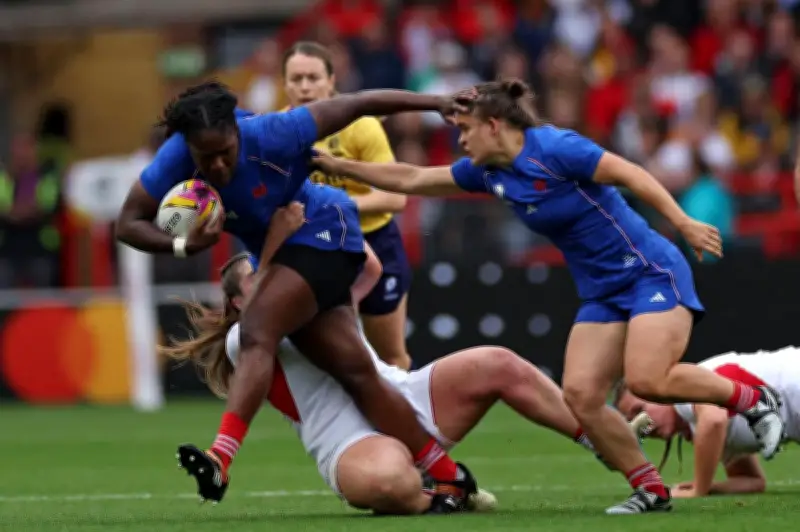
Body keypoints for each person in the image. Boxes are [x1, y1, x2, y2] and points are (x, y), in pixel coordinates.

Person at [310, 78, 786, 514]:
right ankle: (650, 490)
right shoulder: (487, 171)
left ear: (494, 125)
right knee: (580, 395)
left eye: (465, 130)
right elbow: (412, 179)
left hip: (650, 272)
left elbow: (630, 174)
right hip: (602, 291)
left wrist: (682, 223)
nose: (460, 140)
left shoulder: (556, 148)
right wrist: (332, 164)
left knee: (649, 379)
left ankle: (753, 399)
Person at [115, 80, 477, 511]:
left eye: (224, 152)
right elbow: (127, 224)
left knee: (255, 330)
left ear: (237, 132)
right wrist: (181, 246)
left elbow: (359, 102)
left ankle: (221, 456)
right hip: (287, 254)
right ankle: (449, 476)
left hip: (325, 225)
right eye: (204, 157)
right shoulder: (175, 157)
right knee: (358, 374)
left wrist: (435, 102)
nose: (215, 165)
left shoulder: (275, 132)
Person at [163, 244, 599, 515]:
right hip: (349, 442)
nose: (275, 283)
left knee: (499, 362)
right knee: (389, 481)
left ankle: (601, 437)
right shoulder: (248, 336)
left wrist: (328, 213)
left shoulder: (317, 295)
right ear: (239, 303)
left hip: (404, 399)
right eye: (258, 281)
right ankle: (443, 491)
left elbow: (368, 266)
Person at [282, 41, 413, 370]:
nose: (305, 87)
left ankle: (406, 421)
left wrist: (335, 205)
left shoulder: (361, 125)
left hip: (376, 240)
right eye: (296, 79)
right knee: (331, 358)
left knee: (391, 356)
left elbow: (396, 197)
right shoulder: (276, 133)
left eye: (313, 77)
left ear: (331, 80)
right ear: (284, 84)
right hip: (318, 248)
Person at [615, 346, 800, 499]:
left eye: (639, 410)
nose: (641, 422)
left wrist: (699, 488)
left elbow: (714, 421)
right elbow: (750, 481)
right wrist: (711, 486)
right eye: (632, 420)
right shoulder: (699, 426)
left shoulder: (684, 392)